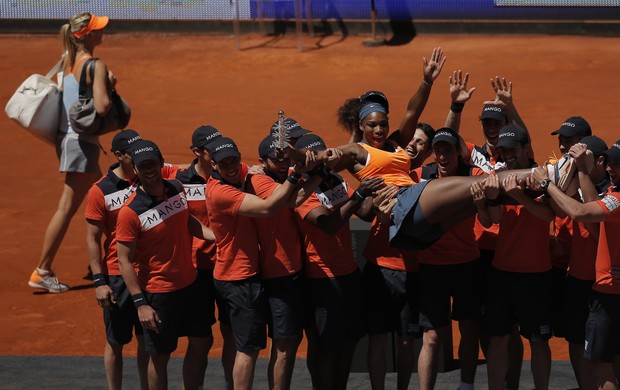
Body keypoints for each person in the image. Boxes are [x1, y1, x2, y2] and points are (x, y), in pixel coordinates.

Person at [205, 136, 317, 390]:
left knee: (246, 346)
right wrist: (295, 175)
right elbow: (268, 208)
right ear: (214, 166)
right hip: (238, 278)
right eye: (225, 164)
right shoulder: (221, 192)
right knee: (247, 350)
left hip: (245, 273)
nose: (232, 167)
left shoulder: (240, 174)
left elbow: (252, 170)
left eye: (235, 160)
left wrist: (262, 169)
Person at [116, 139, 216, 390]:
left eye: (153, 164)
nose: (149, 170)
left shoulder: (176, 187)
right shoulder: (130, 212)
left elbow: (187, 219)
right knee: (160, 356)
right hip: (158, 293)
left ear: (161, 164)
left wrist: (212, 235)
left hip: (190, 285)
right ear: (135, 170)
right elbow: (124, 260)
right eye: (143, 166)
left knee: (202, 341)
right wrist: (140, 304)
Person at [30, 12, 117, 293]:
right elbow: (103, 107)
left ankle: (109, 262)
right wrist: (111, 86)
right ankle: (42, 270)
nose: (102, 32)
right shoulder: (94, 65)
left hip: (72, 141)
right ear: (88, 36)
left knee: (107, 198)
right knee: (69, 208)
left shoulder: (68, 62)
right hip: (80, 144)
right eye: (98, 29)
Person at [292, 134, 382, 390]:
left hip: (350, 274)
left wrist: (376, 185)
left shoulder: (336, 179)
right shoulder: (301, 190)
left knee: (349, 341)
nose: (324, 160)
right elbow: (329, 225)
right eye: (316, 157)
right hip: (323, 281)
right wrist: (359, 196)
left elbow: (364, 213)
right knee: (328, 349)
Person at [532, 139, 620, 390]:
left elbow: (580, 213)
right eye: (610, 163)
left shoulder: (618, 199)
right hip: (607, 289)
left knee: (603, 367)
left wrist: (547, 184)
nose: (611, 168)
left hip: (609, 292)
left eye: (617, 164)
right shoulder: (613, 194)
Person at [477, 124, 554, 390]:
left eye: (511, 149)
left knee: (538, 340)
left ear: (524, 149)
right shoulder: (497, 176)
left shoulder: (542, 176)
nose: (507, 155)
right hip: (503, 272)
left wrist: (518, 195)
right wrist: (488, 200)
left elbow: (547, 216)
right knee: (498, 338)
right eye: (502, 150)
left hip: (536, 274)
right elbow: (493, 221)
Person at [411, 128, 485, 390]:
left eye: (448, 150)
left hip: (466, 263)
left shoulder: (473, 175)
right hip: (431, 267)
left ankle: (466, 386)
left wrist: (481, 204)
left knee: (469, 329)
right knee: (430, 338)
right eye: (438, 150)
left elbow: (488, 215)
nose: (442, 156)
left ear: (458, 153)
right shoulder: (421, 175)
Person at [85, 129, 147, 390]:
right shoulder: (100, 191)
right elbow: (92, 238)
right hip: (117, 275)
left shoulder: (149, 176)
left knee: (147, 340)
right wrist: (99, 281)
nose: (139, 159)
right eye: (133, 155)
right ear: (120, 156)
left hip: (147, 273)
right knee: (115, 341)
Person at [170, 125, 224, 388]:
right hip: (196, 270)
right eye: (210, 150)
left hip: (228, 267)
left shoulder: (229, 173)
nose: (216, 154)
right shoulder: (180, 180)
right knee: (201, 339)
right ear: (197, 152)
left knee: (234, 336)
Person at [559, 136, 611, 390]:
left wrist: (581, 172)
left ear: (599, 161)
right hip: (577, 276)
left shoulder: (611, 189)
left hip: (603, 283)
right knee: (577, 340)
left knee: (606, 353)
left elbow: (593, 222)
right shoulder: (574, 177)